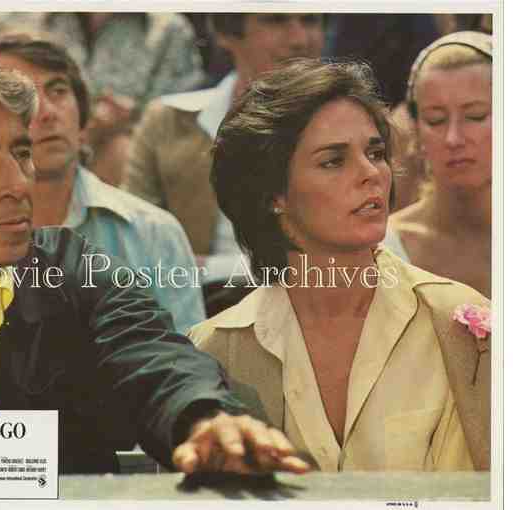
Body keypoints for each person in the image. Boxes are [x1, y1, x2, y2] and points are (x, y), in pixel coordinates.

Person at [0, 49, 312, 476]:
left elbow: (154, 356)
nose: (17, 184)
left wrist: (206, 418)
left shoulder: (70, 271)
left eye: (21, 154)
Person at [189, 59, 490, 472]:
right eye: (333, 160)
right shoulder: (217, 348)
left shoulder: (462, 324)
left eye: (376, 153)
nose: (372, 174)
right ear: (273, 194)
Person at [0, 29, 205, 334]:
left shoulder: (153, 232)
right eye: (18, 97)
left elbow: (185, 354)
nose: (47, 112)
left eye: (58, 90)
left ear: (82, 114)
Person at [122, 14, 326, 302]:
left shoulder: (357, 126)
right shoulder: (169, 120)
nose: (299, 40)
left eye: (311, 21)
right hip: (191, 305)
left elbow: (364, 254)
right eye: (276, 21)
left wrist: (212, 267)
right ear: (227, 33)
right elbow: (133, 242)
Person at [0, 12, 205, 187]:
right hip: (20, 160)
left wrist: (132, 118)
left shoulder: (168, 28)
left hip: (128, 158)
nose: (48, 111)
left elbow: (181, 126)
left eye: (59, 91)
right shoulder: (5, 19)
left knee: (119, 150)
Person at [385, 32, 492, 299]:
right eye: (436, 120)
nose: (453, 138)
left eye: (475, 116)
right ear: (417, 132)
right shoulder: (385, 250)